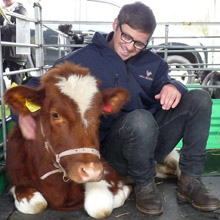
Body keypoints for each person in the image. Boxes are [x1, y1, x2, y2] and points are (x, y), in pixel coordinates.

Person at [15, 2, 220, 216]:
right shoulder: (81, 61)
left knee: (200, 99)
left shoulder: (152, 63)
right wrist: (22, 113)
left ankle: (190, 182)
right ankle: (144, 185)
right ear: (116, 25)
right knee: (139, 119)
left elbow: (167, 82)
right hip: (114, 152)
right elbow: (37, 86)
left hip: (151, 144)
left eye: (140, 43)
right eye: (126, 37)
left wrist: (173, 86)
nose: (130, 47)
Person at [0, 0, 27, 86]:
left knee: (15, 77)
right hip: (4, 50)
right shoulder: (2, 11)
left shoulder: (20, 9)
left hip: (15, 50)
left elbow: (20, 27)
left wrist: (2, 29)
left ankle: (16, 98)